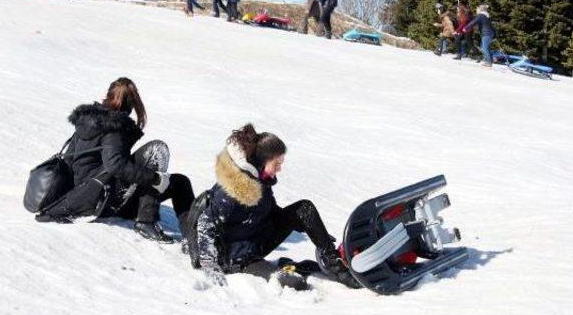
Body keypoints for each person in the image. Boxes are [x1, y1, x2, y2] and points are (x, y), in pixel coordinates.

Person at [191, 123, 360, 288]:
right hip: (234, 258)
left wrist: (314, 230)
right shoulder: (232, 190)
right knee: (295, 283)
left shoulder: (259, 181)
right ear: (262, 162)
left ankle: (333, 262)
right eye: (276, 164)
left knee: (304, 209)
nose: (279, 169)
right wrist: (210, 266)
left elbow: (271, 214)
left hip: (254, 241)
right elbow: (205, 225)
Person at [37, 78, 196, 243]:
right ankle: (146, 221)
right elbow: (115, 164)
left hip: (91, 195)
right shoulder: (113, 126)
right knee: (157, 149)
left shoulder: (88, 121)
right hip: (103, 200)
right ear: (132, 103)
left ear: (108, 95)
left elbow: (71, 163)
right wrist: (154, 179)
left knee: (179, 183)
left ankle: (193, 239)